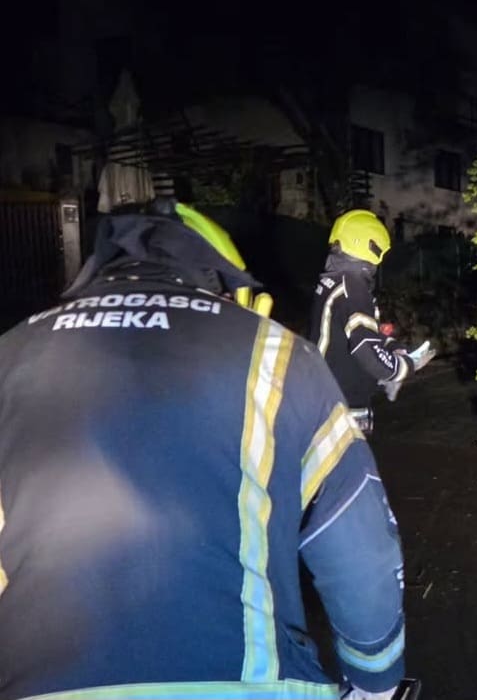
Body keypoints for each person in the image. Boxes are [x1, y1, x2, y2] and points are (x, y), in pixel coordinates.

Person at [0, 200, 406, 700]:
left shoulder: (11, 354)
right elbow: (363, 553)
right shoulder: (278, 356)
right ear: (224, 281)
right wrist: (376, 682)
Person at [309, 209, 435, 435]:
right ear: (371, 248)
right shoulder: (354, 289)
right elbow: (365, 350)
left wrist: (394, 348)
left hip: (323, 397)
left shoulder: (332, 282)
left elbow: (350, 339)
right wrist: (404, 368)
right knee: (351, 470)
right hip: (343, 407)